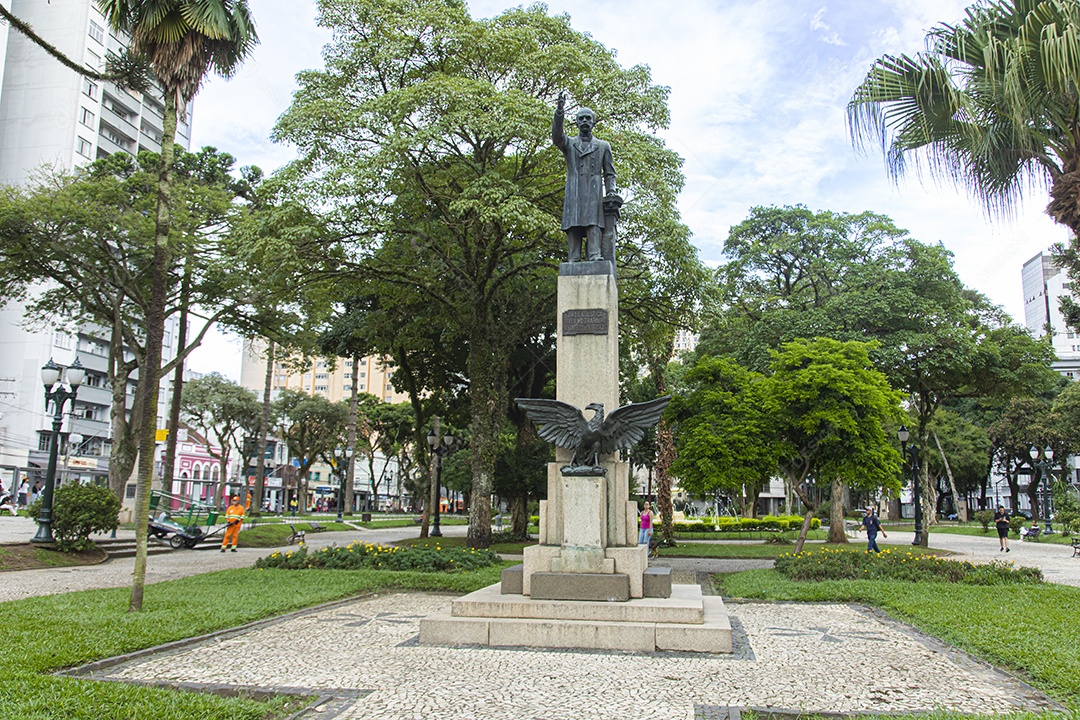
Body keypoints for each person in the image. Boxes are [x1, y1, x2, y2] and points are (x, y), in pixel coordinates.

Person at [553, 93, 616, 263]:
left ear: (593, 121)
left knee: (593, 223)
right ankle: (573, 257)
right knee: (574, 224)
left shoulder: (603, 146)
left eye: (588, 118)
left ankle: (594, 254)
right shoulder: (569, 144)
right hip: (574, 190)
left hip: (594, 192)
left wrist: (611, 191)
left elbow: (610, 173)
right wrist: (560, 112)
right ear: (577, 122)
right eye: (581, 118)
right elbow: (557, 137)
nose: (585, 121)